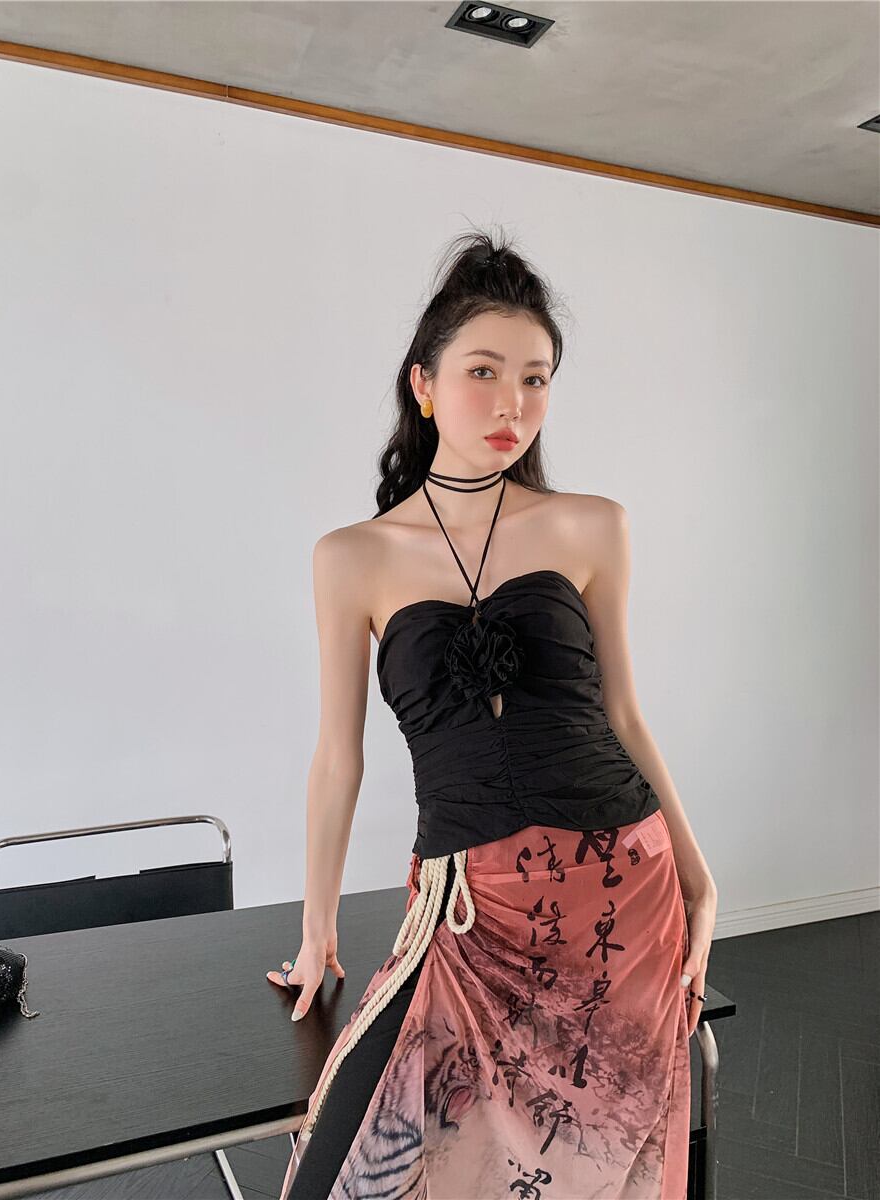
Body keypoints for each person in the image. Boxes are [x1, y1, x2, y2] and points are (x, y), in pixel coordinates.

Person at [268, 230, 718, 1199]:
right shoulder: (352, 557)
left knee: (591, 1170)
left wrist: (697, 872)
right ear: (424, 384)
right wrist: (316, 930)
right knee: (351, 1169)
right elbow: (337, 760)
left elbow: (625, 712)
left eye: (536, 378)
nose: (514, 403)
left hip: (620, 898)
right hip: (469, 910)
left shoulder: (592, 525)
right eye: (484, 372)